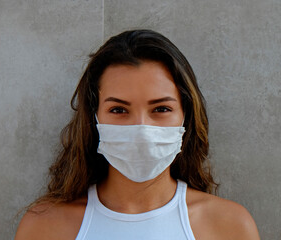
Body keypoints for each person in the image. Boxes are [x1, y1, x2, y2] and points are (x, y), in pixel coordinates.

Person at [15, 29, 260, 240]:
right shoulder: (44, 227)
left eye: (161, 109)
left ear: (186, 116)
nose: (141, 129)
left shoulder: (230, 225)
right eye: (118, 109)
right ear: (94, 118)